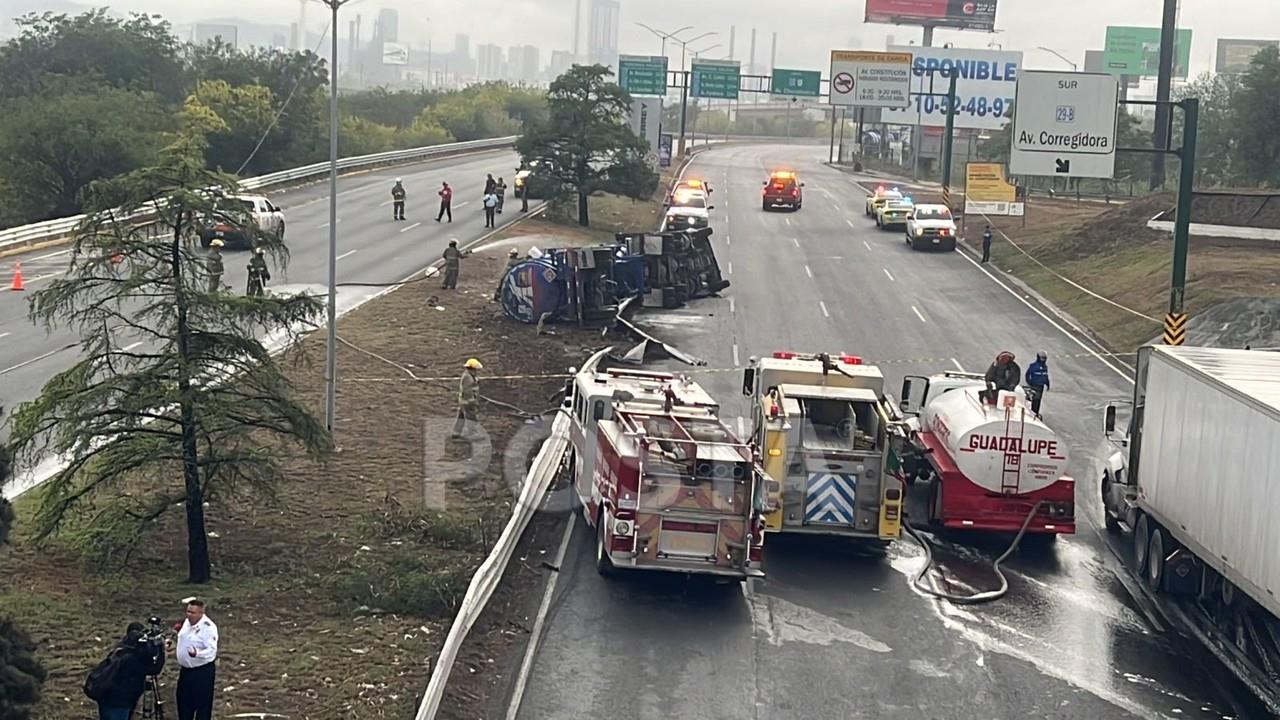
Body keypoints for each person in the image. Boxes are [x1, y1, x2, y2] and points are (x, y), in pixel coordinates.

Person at [86, 622, 165, 720]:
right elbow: (155, 669)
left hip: (106, 697)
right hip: (120, 703)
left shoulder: (121, 649)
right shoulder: (135, 658)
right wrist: (161, 650)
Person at [175, 599, 218, 720]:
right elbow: (183, 638)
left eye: (192, 613)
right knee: (183, 702)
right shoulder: (187, 623)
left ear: (201, 613)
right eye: (188, 611)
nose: (189, 615)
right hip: (185, 671)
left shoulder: (208, 628)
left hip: (201, 672)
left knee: (202, 706)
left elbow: (211, 651)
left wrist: (197, 654)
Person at [452, 358, 482, 438]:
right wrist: (472, 401)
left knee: (461, 417)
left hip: (464, 402)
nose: (477, 371)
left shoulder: (469, 376)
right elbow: (468, 391)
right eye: (476, 369)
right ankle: (472, 434)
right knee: (471, 418)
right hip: (468, 402)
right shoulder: (467, 378)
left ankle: (456, 432)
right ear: (472, 369)